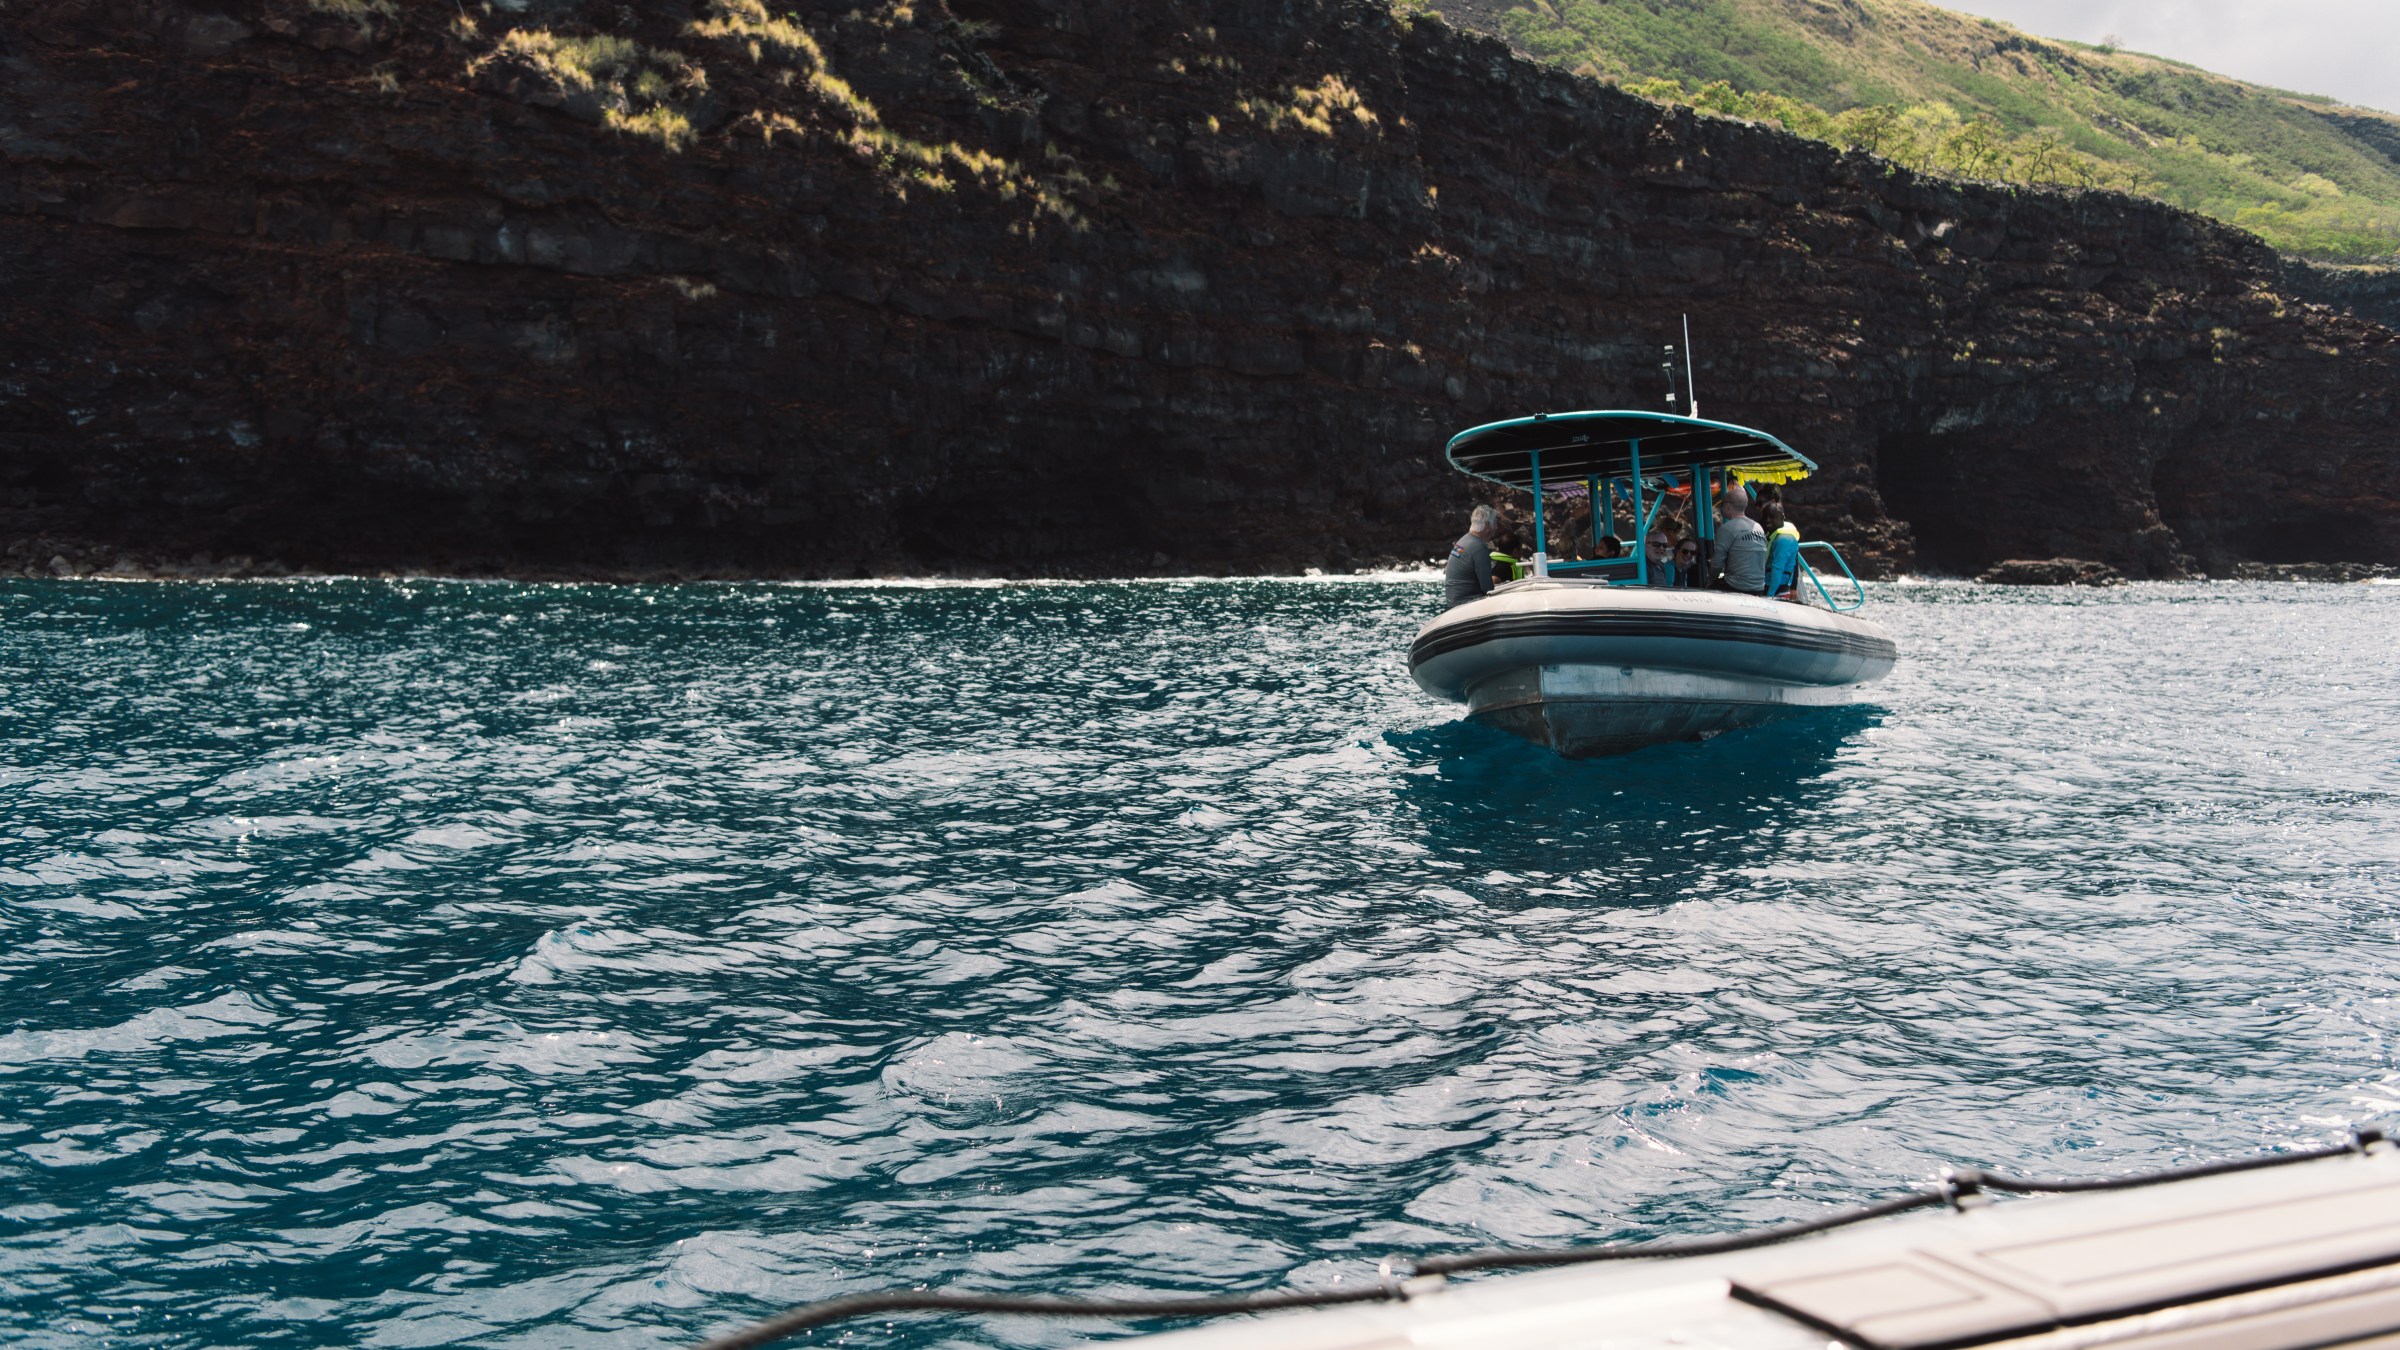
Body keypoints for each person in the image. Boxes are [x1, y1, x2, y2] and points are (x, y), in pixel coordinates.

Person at [1712, 483, 1767, 595]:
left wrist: (1709, 581)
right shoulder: (1758, 527)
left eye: (1723, 503)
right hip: (1759, 587)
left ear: (1729, 506)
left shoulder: (1727, 529)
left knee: (1706, 586)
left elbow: (1717, 564)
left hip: (1736, 586)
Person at [1444, 504, 1499, 608]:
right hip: (1466, 603)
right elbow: (1487, 588)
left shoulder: (1463, 541)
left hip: (1452, 602)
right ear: (1487, 526)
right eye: (1495, 523)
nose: (1496, 528)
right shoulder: (1479, 548)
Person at [1760, 502, 1802, 600]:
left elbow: (1777, 569)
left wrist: (1770, 595)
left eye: (1772, 517)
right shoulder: (1773, 535)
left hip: (1777, 590)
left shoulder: (1784, 540)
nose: (1768, 520)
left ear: (1782, 517)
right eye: (1766, 517)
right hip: (1772, 586)